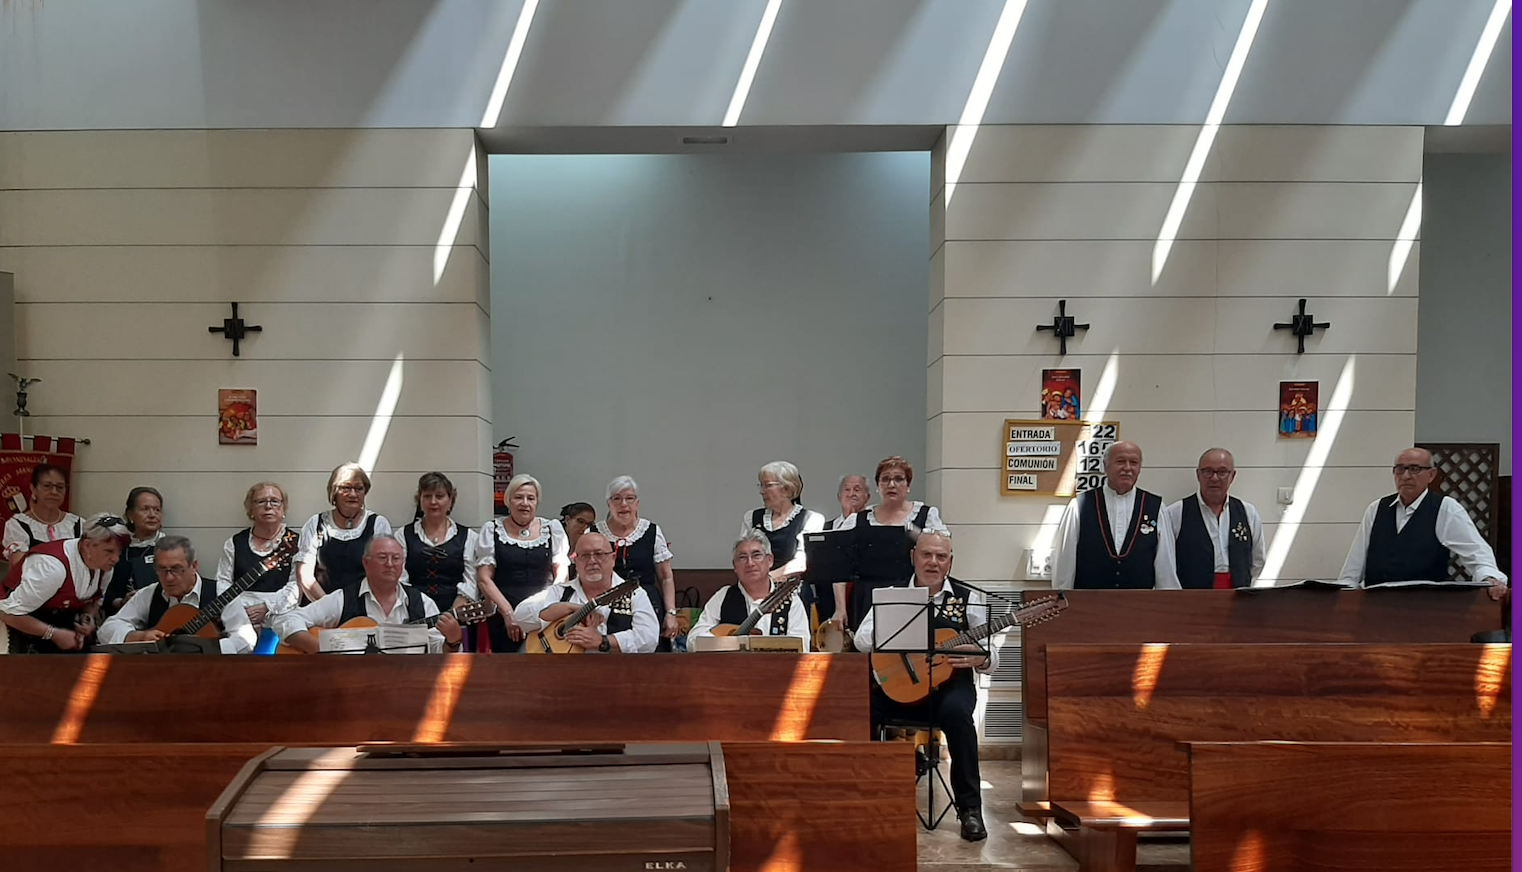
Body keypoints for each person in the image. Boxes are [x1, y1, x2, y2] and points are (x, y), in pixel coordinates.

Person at [854, 531, 992, 842]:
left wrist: (979, 658)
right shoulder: (892, 595)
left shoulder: (969, 598)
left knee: (958, 715)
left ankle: (970, 809)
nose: (933, 562)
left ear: (950, 562)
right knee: (859, 710)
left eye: (941, 556)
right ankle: (865, 797)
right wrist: (891, 634)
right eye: (927, 554)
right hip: (900, 686)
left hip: (950, 688)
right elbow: (861, 641)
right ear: (913, 557)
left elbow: (991, 655)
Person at [1337, 447, 1508, 599]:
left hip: (1426, 609)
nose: (1406, 476)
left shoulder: (1445, 508)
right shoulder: (1376, 508)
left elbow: (1476, 552)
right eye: (1400, 469)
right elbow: (1355, 563)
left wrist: (1490, 578)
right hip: (1376, 605)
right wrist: (1344, 593)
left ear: (1431, 475)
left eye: (1414, 469)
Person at [273, 537, 462, 653]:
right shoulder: (344, 599)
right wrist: (316, 648)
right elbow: (286, 619)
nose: (390, 564)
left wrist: (453, 642)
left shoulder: (422, 603)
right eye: (382, 557)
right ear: (366, 563)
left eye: (396, 558)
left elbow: (438, 653)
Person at [834, 457, 949, 630]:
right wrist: (840, 609)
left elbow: (942, 554)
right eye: (885, 479)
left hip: (910, 596)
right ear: (878, 486)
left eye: (899, 479)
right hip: (866, 599)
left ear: (908, 485)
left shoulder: (926, 516)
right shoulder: (858, 520)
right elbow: (839, 569)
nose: (891, 484)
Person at [98, 535, 258, 654]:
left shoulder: (220, 592)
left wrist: (207, 649)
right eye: (162, 570)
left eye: (176, 569)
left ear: (194, 566)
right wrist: (138, 637)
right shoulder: (150, 593)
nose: (168, 578)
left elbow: (246, 638)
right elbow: (107, 629)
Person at [1052, 441, 1179, 589]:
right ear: (1105, 466)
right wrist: (1062, 597)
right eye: (1120, 461)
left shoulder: (1156, 507)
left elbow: (1165, 567)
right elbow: (1065, 564)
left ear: (1140, 468)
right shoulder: (1079, 506)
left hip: (1139, 602)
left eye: (1134, 462)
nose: (1127, 468)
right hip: (1089, 601)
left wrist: (1168, 599)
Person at [0, 513, 130, 653]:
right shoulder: (52, 568)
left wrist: (88, 618)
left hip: (61, 625)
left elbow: (94, 601)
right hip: (18, 626)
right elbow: (7, 613)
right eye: (109, 551)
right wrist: (53, 634)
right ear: (87, 545)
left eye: (119, 552)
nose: (116, 559)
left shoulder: (105, 567)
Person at [514, 531, 659, 654]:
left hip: (615, 672)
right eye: (584, 555)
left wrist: (604, 641)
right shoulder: (561, 591)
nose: (592, 561)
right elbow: (520, 616)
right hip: (562, 671)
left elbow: (649, 639)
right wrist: (569, 608)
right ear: (576, 562)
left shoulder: (634, 594)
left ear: (613, 559)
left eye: (599, 554)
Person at [475, 474, 568, 653]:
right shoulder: (492, 530)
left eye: (530, 498)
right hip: (504, 615)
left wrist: (549, 608)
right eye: (518, 497)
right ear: (508, 501)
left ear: (537, 502)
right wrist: (509, 614)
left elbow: (562, 573)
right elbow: (484, 579)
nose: (524, 503)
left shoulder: (552, 528)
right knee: (508, 666)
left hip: (544, 614)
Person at [1164, 448, 1265, 588]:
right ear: (1198, 475)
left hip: (1238, 594)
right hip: (1192, 596)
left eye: (1222, 472)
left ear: (1232, 476)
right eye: (1208, 471)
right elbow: (1166, 563)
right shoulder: (1176, 513)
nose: (1214, 478)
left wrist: (1247, 590)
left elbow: (1258, 560)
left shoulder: (1248, 512)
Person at [217, 482, 300, 650]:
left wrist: (267, 608)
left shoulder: (297, 542)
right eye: (261, 501)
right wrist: (240, 614)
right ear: (251, 509)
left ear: (283, 508)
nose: (268, 506)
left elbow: (296, 585)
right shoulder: (234, 543)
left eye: (275, 501)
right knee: (237, 644)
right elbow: (223, 582)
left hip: (281, 613)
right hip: (239, 613)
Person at [688, 530, 810, 646]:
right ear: (735, 566)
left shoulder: (791, 602)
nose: (750, 563)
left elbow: (802, 645)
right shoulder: (723, 597)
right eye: (742, 557)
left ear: (770, 560)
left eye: (756, 555)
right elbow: (693, 641)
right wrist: (727, 642)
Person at [598, 476, 678, 649]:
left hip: (647, 605)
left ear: (637, 503)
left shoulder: (652, 531)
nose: (623, 504)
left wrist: (671, 613)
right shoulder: (595, 533)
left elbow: (666, 577)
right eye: (617, 499)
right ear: (608, 504)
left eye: (629, 498)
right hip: (606, 608)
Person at [295, 462, 394, 601]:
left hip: (363, 606)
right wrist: (329, 606)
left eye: (359, 488)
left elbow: (384, 574)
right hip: (319, 605)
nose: (353, 494)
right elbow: (304, 574)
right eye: (346, 488)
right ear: (334, 492)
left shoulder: (378, 524)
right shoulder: (315, 523)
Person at [739, 461, 825, 618]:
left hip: (793, 595)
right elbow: (742, 556)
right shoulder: (751, 518)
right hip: (754, 595)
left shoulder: (811, 519)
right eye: (761, 486)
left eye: (767, 485)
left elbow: (802, 562)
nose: (762, 492)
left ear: (787, 488)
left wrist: (766, 580)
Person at [395, 472, 479, 614]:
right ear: (419, 500)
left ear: (450, 500)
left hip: (456, 614)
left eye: (439, 496)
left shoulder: (469, 537)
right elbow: (399, 579)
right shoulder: (403, 535)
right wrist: (415, 609)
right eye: (427, 496)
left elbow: (471, 581)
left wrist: (454, 612)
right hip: (413, 612)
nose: (433, 502)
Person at [102, 486, 166, 615]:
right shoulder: (117, 546)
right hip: (121, 616)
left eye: (157, 510)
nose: (152, 515)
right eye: (145, 509)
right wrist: (120, 602)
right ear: (130, 515)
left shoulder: (169, 547)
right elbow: (104, 587)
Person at [2, 463, 82, 564]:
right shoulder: (18, 525)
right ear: (33, 488)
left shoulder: (77, 524)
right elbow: (20, 567)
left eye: (60, 487)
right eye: (47, 486)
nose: (54, 492)